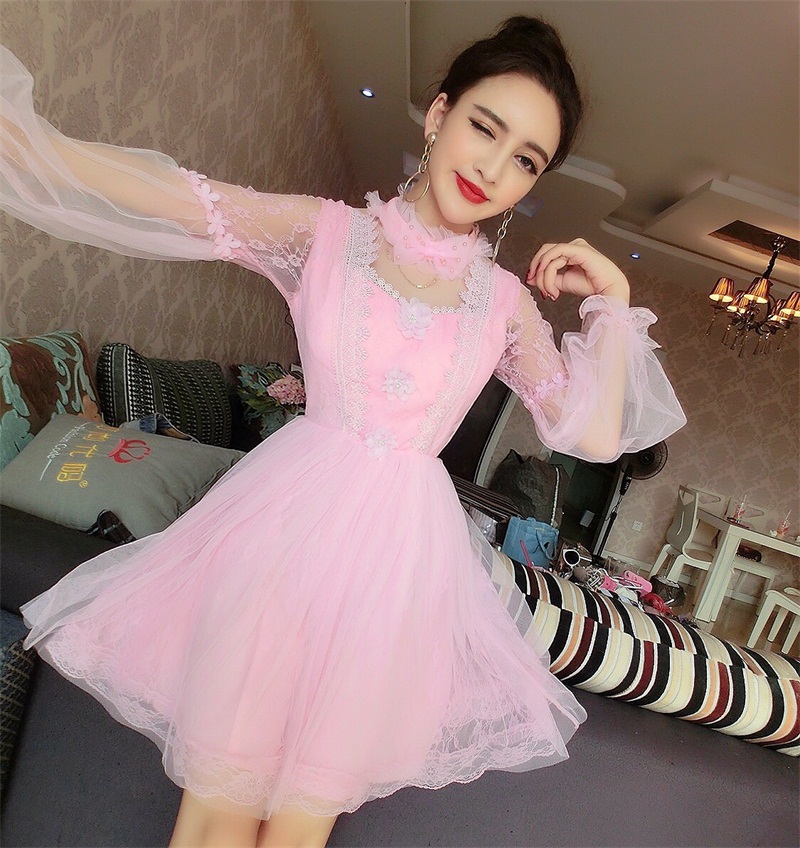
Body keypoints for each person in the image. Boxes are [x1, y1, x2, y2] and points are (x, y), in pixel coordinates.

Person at [0, 15, 685, 848]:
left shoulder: (506, 306)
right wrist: (26, 142)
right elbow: (180, 198)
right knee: (216, 812)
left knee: (299, 830)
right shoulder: (324, 232)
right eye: (484, 128)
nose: (493, 168)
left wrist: (613, 297)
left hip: (393, 577)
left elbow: (596, 436)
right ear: (439, 115)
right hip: (280, 536)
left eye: (525, 160)